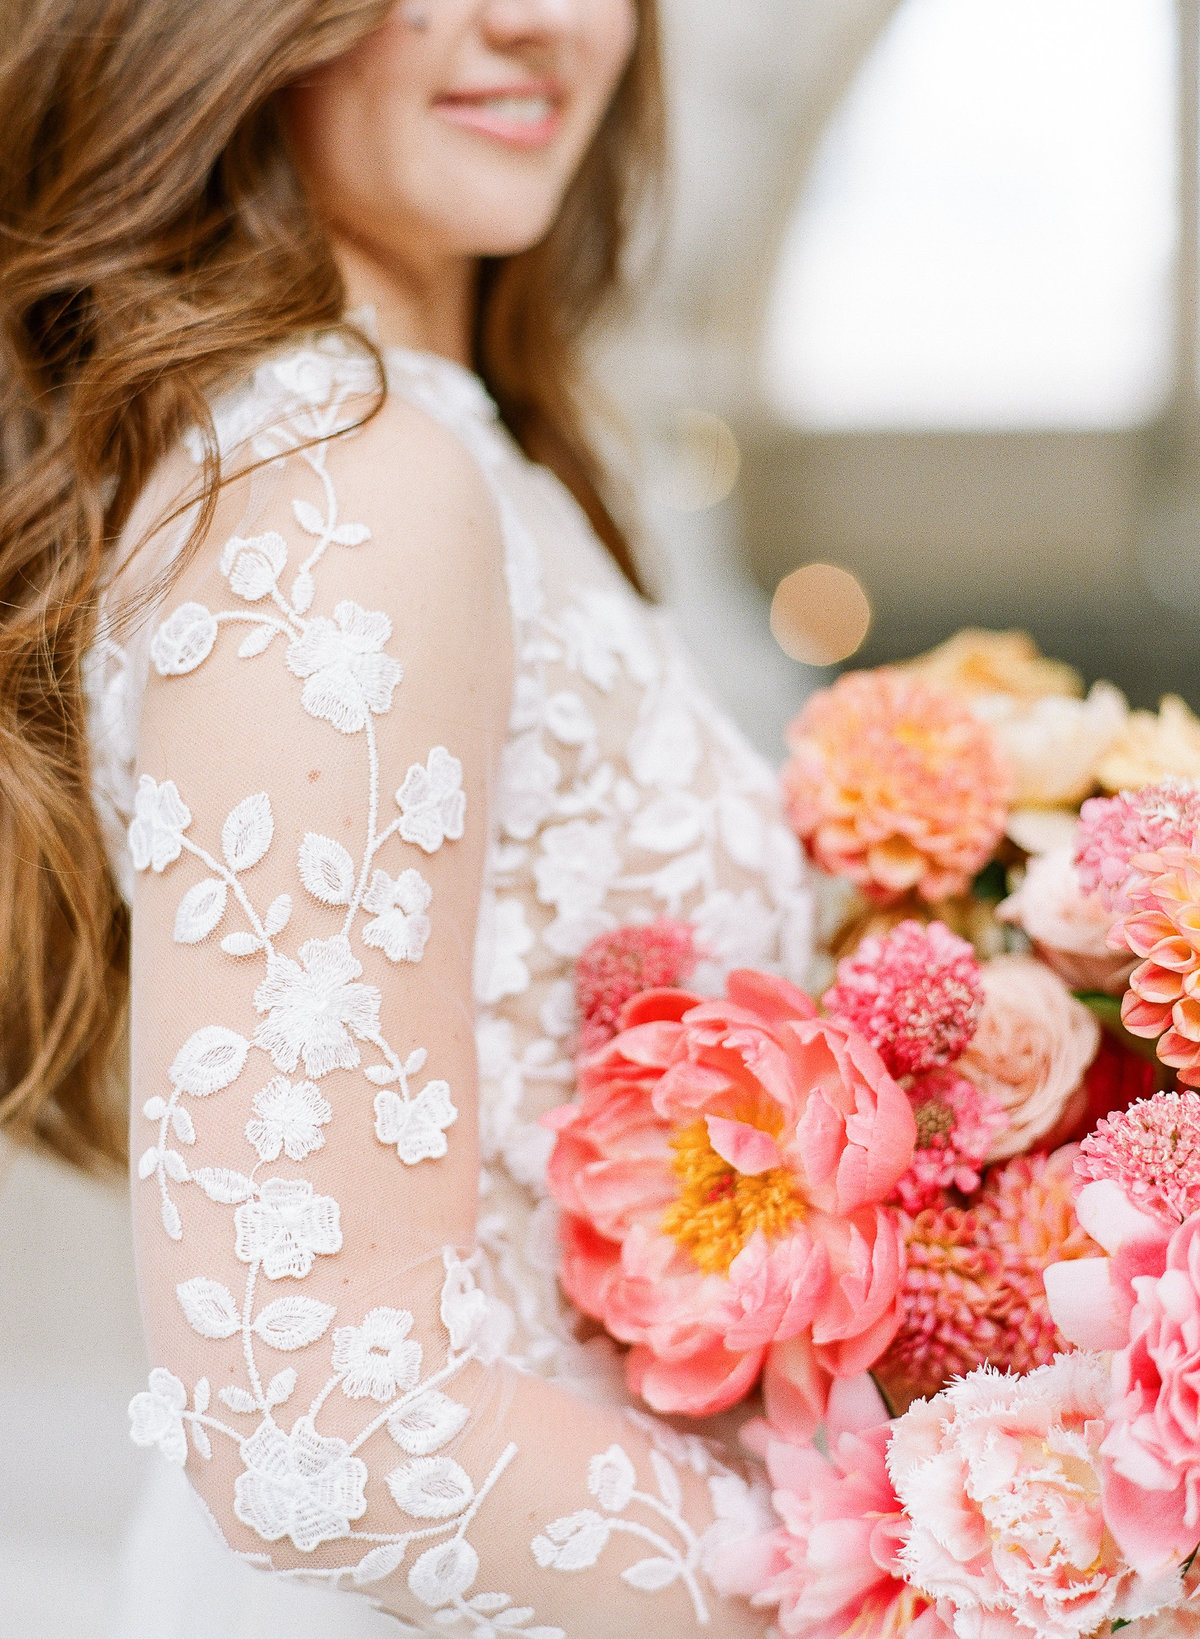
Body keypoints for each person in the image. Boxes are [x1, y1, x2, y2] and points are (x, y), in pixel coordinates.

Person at [0, 1, 815, 1633]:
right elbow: (311, 1409)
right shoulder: (339, 481)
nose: (528, 21)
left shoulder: (461, 443)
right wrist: (898, 1579)